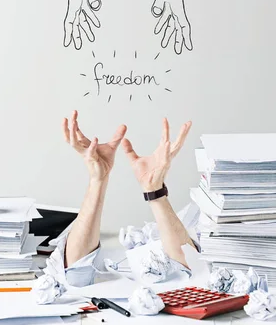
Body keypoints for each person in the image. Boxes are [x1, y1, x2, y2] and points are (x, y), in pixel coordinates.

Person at [50, 110, 193, 288]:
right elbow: (75, 275)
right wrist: (98, 179)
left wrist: (154, 190)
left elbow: (192, 272)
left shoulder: (212, 217)